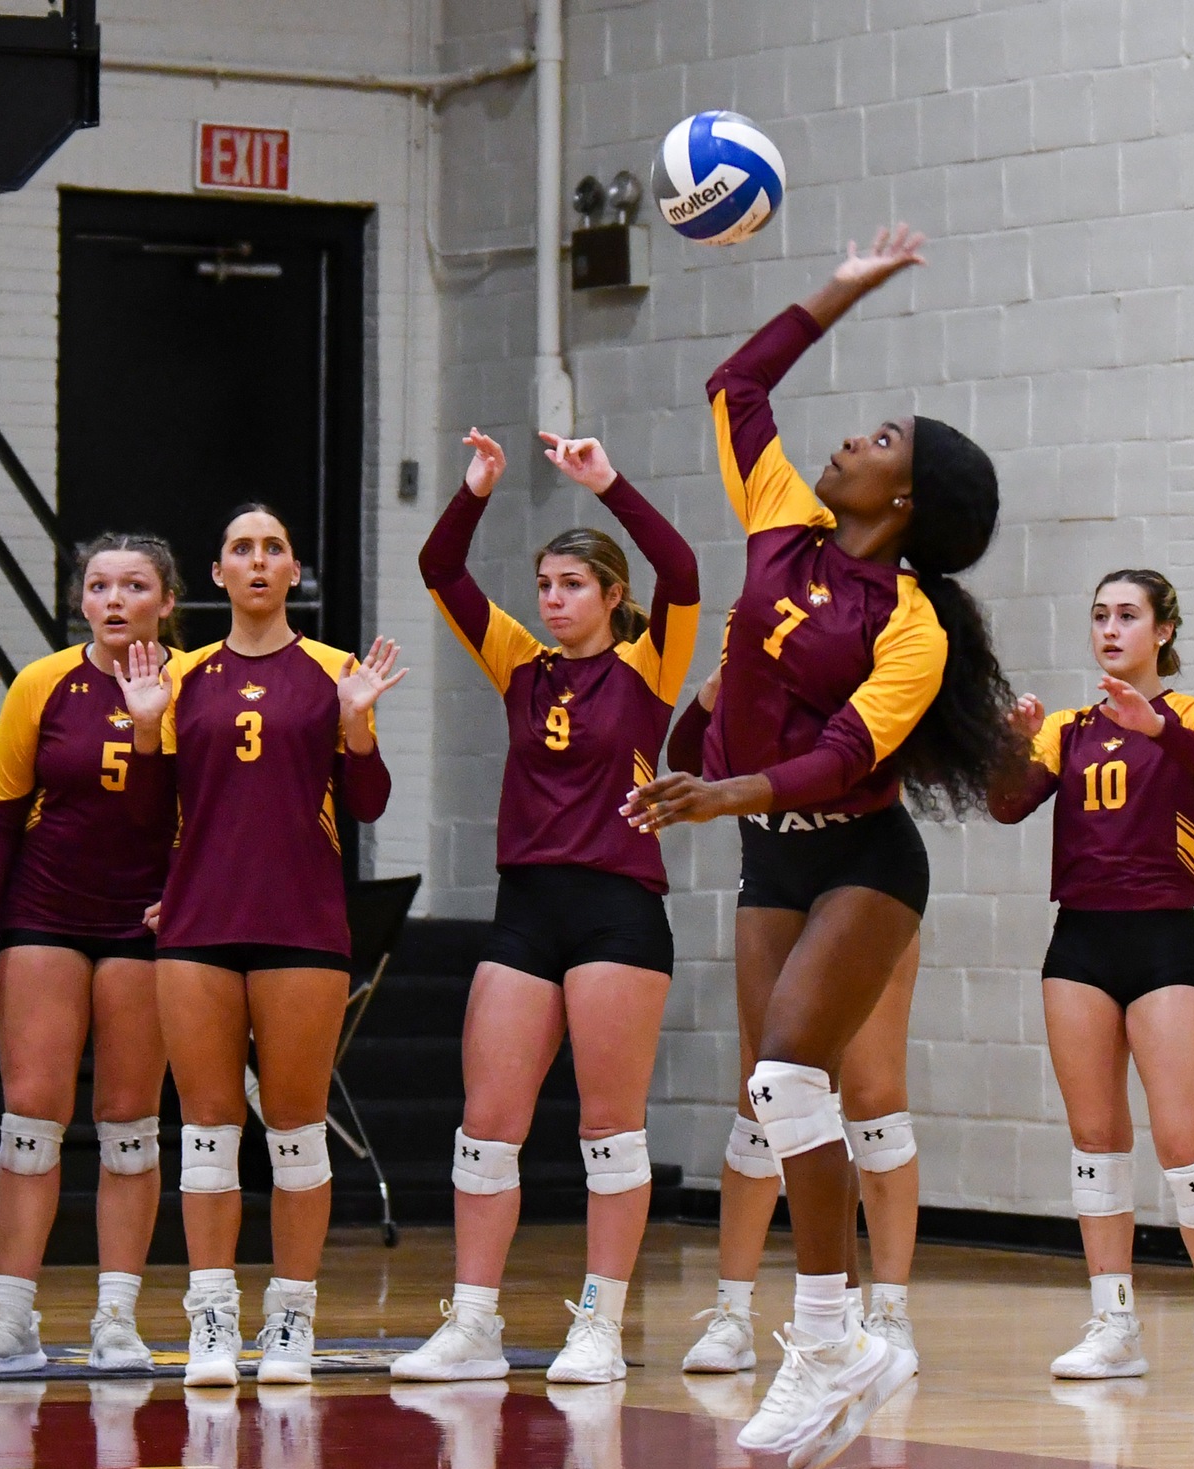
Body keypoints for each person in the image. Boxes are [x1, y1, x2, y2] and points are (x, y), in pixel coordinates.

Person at [625, 224, 1016, 1469]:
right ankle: (837, 1341)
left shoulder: (910, 625)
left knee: (799, 1076)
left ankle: (825, 1333)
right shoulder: (782, 524)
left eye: (881, 441)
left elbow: (842, 764)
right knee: (771, 1092)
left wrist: (717, 791)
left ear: (901, 503)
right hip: (769, 858)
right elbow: (736, 388)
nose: (850, 438)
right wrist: (839, 289)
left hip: (859, 860)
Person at [391, 426, 698, 1386]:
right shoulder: (519, 663)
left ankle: (598, 1326)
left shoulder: (649, 665)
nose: (553, 600)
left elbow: (681, 567)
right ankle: (474, 1323)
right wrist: (477, 485)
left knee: (608, 1127)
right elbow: (441, 566)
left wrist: (607, 481)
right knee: (487, 1124)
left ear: (611, 596)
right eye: (546, 585)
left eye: (572, 585)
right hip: (524, 904)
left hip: (617, 909)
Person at [146, 502, 405, 1387]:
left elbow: (367, 804)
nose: (257, 561)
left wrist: (359, 725)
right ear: (216, 575)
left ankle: (290, 1316)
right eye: (240, 548)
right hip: (196, 927)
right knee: (208, 1130)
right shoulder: (179, 676)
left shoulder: (334, 671)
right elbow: (149, 811)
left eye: (274, 548)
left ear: (294, 570)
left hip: (301, 924)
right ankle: (212, 1315)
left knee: (295, 1129)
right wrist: (146, 732)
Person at [988, 569, 1194, 1385]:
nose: (1110, 628)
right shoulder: (1067, 728)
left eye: (1128, 615)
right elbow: (1007, 806)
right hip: (1078, 943)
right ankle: (1113, 1324)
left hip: (1162, 939)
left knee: (1184, 1143)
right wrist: (1008, 745)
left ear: (1163, 631)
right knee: (1097, 1142)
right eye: (1099, 614)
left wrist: (1157, 729)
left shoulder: (1193, 714)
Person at [0, 535, 183, 1375]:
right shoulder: (43, 683)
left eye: (134, 585)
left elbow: (209, 815)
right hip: (43, 916)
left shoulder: (193, 685)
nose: (115, 599)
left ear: (166, 601)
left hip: (144, 927)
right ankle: (11, 1320)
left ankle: (116, 1319)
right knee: (31, 1120)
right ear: (82, 600)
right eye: (99, 585)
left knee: (129, 1124)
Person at [668, 670, 925, 1376]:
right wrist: (713, 689)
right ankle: (732, 1312)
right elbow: (683, 756)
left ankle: (888, 1312)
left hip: (863, 875)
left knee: (872, 1097)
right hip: (773, 874)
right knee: (762, 1096)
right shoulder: (737, 685)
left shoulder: (848, 659)